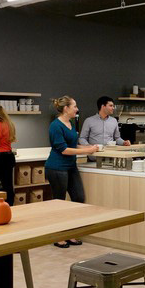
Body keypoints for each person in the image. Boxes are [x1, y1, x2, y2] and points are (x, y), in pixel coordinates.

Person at [45, 96, 99, 248]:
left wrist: (90, 148)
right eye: (74, 106)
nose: (77, 109)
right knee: (59, 203)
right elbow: (64, 149)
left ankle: (71, 233)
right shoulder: (55, 126)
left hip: (70, 167)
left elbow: (73, 145)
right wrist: (86, 151)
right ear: (66, 108)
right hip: (57, 168)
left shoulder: (71, 123)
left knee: (78, 198)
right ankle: (58, 236)